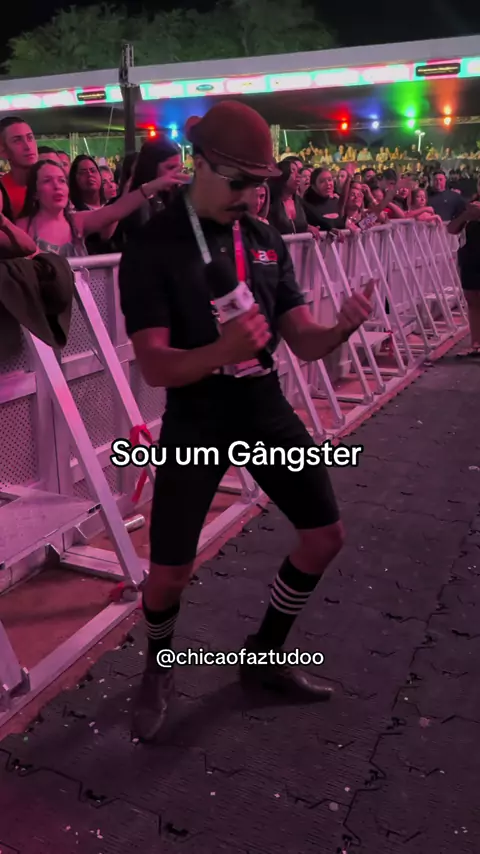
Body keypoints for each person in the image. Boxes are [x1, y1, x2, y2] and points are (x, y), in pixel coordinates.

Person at [118, 99, 374, 742]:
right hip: (197, 415)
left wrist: (341, 326)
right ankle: (159, 666)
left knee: (324, 535)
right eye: (238, 182)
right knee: (169, 572)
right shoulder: (153, 243)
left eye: (259, 184)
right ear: (199, 163)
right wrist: (220, 351)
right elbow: (155, 367)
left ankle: (264, 655)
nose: (250, 197)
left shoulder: (264, 239)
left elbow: (303, 339)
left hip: (263, 404)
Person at [17, 159, 188, 258]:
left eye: (61, 181)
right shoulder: (21, 228)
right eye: (47, 181)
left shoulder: (77, 221)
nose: (57, 186)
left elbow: (117, 210)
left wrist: (154, 185)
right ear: (35, 192)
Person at [448, 177, 480, 357]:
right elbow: (451, 229)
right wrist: (466, 216)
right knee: (473, 301)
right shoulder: (470, 205)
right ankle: (476, 344)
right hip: (470, 258)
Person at [0, 117, 38, 219]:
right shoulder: (2, 192)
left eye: (30, 138)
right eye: (17, 141)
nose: (28, 146)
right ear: (3, 151)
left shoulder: (55, 184)